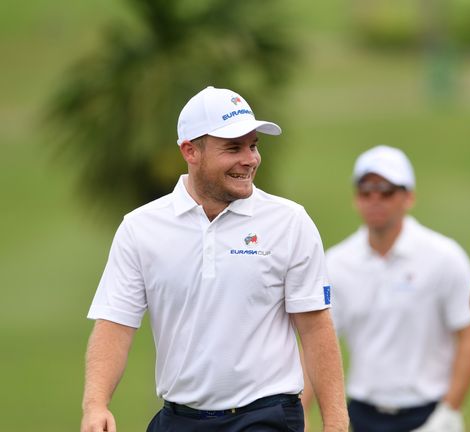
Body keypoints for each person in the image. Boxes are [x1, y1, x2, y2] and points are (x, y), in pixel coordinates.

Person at [80, 86, 348, 432]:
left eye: (253, 145)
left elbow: (315, 327)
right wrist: (96, 404)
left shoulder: (290, 222)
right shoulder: (139, 228)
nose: (250, 159)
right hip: (179, 419)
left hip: (266, 417)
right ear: (190, 151)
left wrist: (337, 424)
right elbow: (115, 323)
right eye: (233, 147)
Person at [303, 145, 470, 432]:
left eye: (386, 191)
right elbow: (318, 340)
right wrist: (303, 410)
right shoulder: (336, 262)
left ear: (408, 197)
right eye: (366, 191)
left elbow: (469, 336)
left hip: (428, 413)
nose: (375, 199)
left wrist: (450, 409)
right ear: (355, 198)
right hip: (362, 413)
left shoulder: (443, 257)